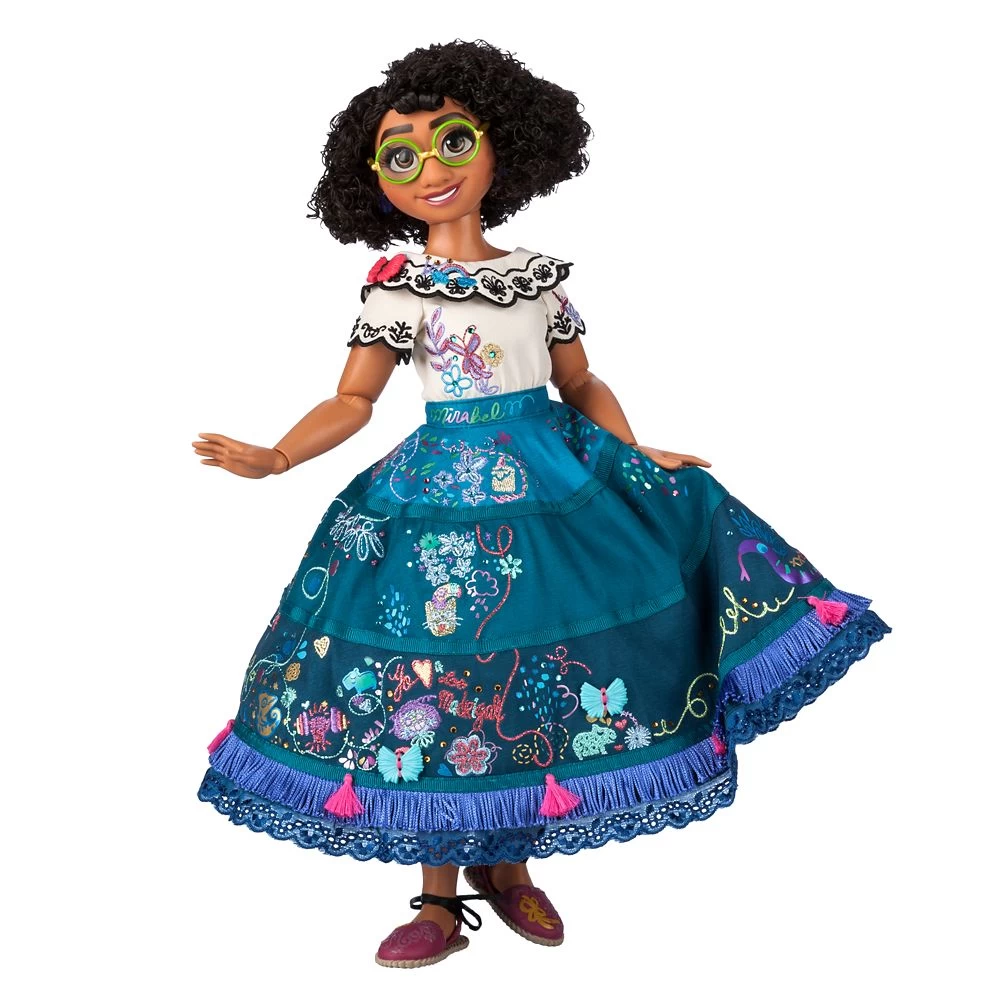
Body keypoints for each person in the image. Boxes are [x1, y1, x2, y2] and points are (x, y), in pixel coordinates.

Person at [193, 38, 891, 969]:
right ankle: (438, 893)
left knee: (540, 666)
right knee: (438, 677)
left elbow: (581, 381)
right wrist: (279, 455)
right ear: (375, 184)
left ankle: (510, 863)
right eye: (401, 157)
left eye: (452, 142)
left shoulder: (539, 279)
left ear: (504, 145)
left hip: (553, 485)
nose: (431, 170)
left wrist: (635, 453)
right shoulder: (398, 289)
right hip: (436, 502)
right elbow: (354, 399)